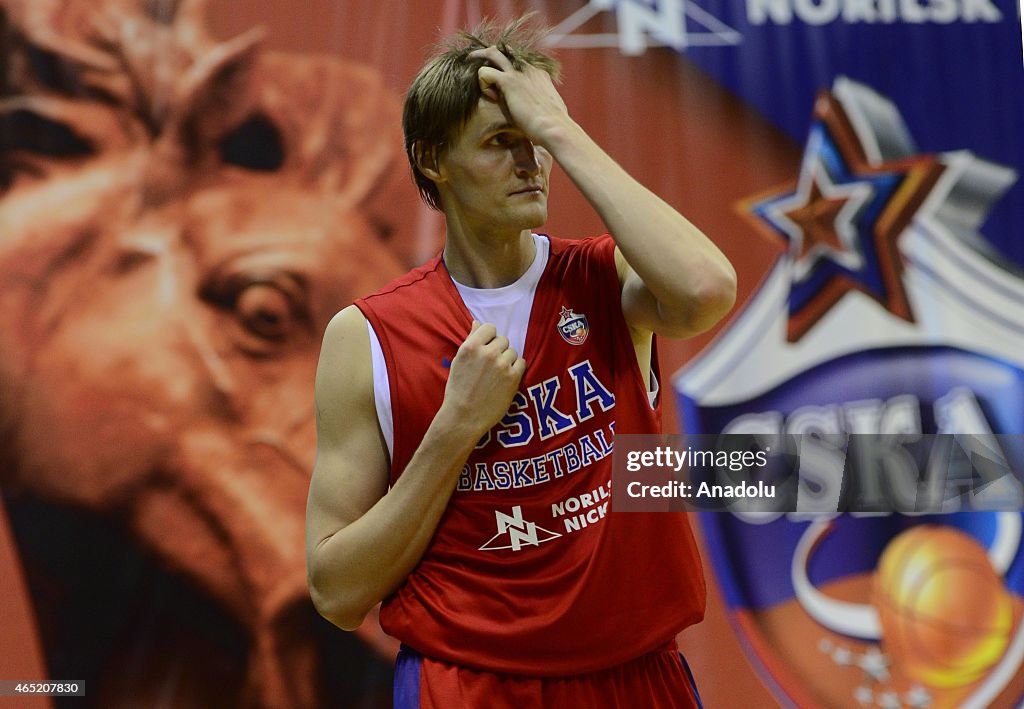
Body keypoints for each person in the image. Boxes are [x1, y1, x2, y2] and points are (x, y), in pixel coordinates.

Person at [306, 14, 736, 708]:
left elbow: (708, 289)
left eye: (535, 142)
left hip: (635, 673)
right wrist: (453, 429)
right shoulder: (367, 335)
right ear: (431, 159)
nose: (530, 163)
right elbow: (335, 591)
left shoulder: (604, 275)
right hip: (469, 680)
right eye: (504, 143)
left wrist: (562, 129)